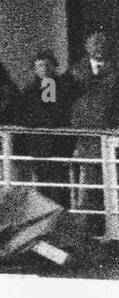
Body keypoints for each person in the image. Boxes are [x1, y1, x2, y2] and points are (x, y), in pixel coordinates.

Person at [67, 30, 119, 234]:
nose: (98, 47)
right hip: (85, 135)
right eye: (94, 44)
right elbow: (65, 101)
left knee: (111, 180)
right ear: (87, 47)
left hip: (109, 134)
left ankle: (112, 227)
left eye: (102, 43)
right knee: (86, 180)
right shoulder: (75, 72)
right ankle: (85, 225)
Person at [14, 50, 75, 207]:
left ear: (54, 67)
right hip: (39, 146)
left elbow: (60, 112)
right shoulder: (30, 91)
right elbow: (23, 114)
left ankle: (62, 215)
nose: (44, 70)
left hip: (59, 145)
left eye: (47, 66)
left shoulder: (64, 88)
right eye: (40, 66)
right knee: (43, 186)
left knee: (62, 185)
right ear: (35, 69)